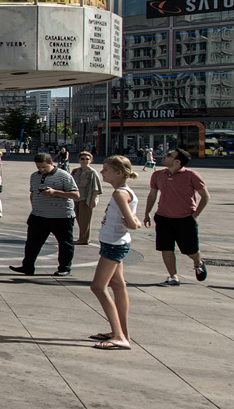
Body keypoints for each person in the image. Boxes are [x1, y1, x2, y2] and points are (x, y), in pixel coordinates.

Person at [89, 155, 142, 350]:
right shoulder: (123, 192)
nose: (102, 172)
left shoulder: (120, 193)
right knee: (118, 285)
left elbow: (131, 223)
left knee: (98, 287)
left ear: (119, 173)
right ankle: (122, 332)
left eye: (106, 170)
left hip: (114, 244)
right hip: (114, 243)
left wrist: (134, 222)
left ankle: (119, 336)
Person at [143, 148, 210, 286]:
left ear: (177, 162)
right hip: (163, 217)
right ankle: (173, 276)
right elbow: (152, 195)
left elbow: (205, 197)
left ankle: (198, 263)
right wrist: (147, 213)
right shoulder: (157, 175)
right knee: (166, 248)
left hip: (185, 218)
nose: (164, 156)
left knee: (190, 250)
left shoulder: (191, 175)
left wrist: (195, 214)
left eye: (169, 155)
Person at [8, 152, 79, 277]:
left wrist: (54, 192)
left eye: (44, 167)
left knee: (65, 243)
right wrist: (34, 207)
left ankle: (64, 267)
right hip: (38, 215)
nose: (41, 170)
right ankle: (28, 266)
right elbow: (33, 193)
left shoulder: (64, 176)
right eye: (38, 167)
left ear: (52, 163)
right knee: (32, 243)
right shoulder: (34, 176)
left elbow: (75, 194)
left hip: (61, 216)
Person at [72, 151, 102, 245]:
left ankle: (84, 239)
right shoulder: (75, 171)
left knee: (85, 220)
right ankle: (82, 237)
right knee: (79, 219)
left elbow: (96, 188)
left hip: (86, 198)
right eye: (82, 159)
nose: (85, 161)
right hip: (75, 198)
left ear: (91, 160)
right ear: (79, 160)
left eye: (87, 159)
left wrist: (93, 200)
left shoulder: (92, 172)